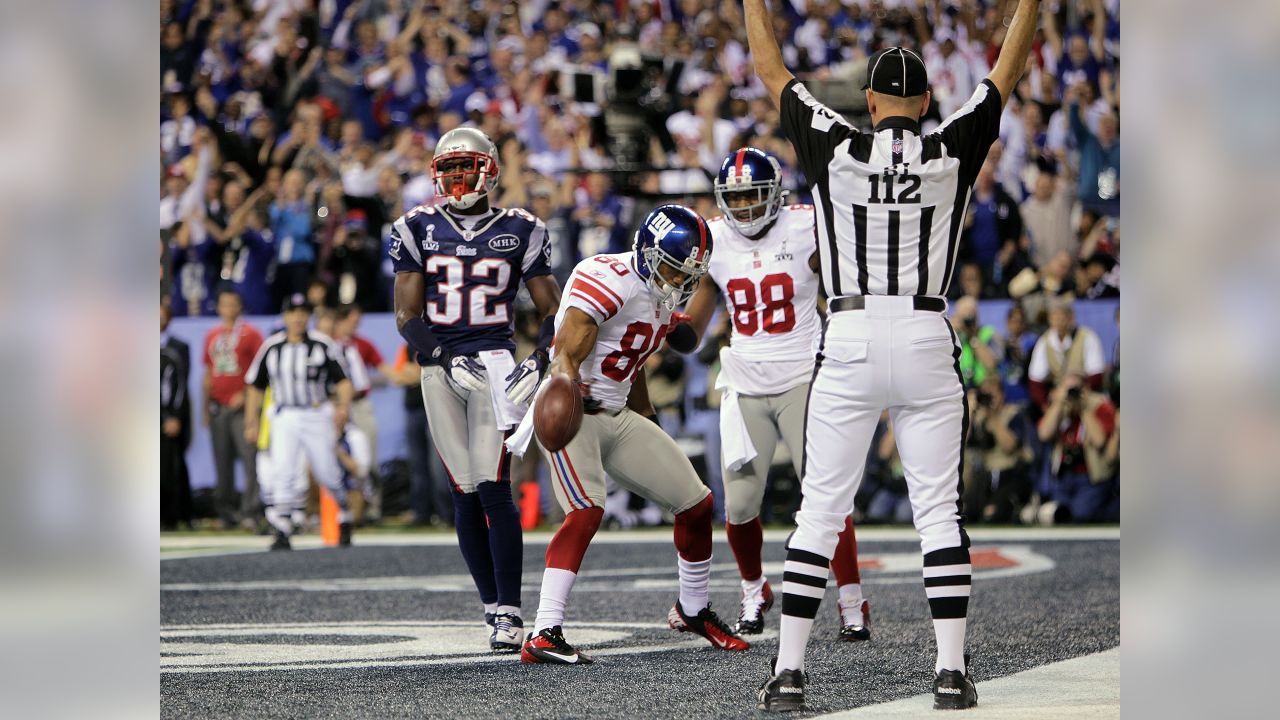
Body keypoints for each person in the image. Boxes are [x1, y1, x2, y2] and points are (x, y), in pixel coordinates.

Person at [745, 0, 1043, 711]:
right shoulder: (952, 151)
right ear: (928, 100)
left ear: (871, 101)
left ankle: (789, 673)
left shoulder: (837, 148)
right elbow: (1008, 67)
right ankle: (948, 673)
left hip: (848, 335)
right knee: (938, 512)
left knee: (819, 510)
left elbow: (769, 67)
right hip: (924, 334)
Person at [510, 204, 748, 665]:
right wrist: (561, 383)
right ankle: (543, 632)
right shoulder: (607, 276)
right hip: (574, 407)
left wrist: (650, 425)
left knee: (697, 506)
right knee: (585, 511)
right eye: (674, 270)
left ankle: (693, 609)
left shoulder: (659, 295)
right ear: (646, 251)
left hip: (618, 413)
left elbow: (631, 361)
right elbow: (567, 351)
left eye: (689, 275)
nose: (679, 282)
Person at [683, 146, 869, 641]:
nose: (743, 208)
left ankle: (852, 600)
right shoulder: (715, 238)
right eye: (736, 198)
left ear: (776, 195)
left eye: (753, 196)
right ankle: (753, 590)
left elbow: (845, 275)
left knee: (825, 495)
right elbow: (696, 320)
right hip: (744, 382)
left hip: (805, 377)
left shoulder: (807, 224)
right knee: (741, 504)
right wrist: (670, 329)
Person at [390, 127, 562, 653]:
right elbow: (406, 315)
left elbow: (554, 309)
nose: (458, 178)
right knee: (463, 489)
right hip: (440, 366)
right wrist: (442, 354)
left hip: (492, 364)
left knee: (493, 486)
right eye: (449, 168)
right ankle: (493, 609)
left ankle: (510, 609)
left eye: (467, 166)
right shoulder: (415, 226)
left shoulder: (523, 228)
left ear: (489, 168)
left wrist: (540, 357)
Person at [243, 294, 355, 551]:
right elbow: (255, 386)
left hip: (316, 413)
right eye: (293, 312)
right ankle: (282, 527)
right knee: (283, 470)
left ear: (309, 316)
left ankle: (344, 513)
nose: (298, 317)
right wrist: (251, 420)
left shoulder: (322, 344)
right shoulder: (272, 347)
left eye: (303, 312)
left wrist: (343, 408)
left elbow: (343, 381)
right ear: (285, 316)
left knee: (327, 472)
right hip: (285, 415)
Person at [202, 287, 265, 529]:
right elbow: (209, 373)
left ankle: (250, 510)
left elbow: (260, 368)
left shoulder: (250, 334)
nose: (228, 308)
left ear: (240, 307)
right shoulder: (212, 335)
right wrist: (205, 409)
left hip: (242, 406)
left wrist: (247, 394)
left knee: (250, 460)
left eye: (232, 304)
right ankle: (226, 512)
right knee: (222, 461)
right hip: (218, 405)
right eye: (224, 304)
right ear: (218, 307)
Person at [1035, 372, 1118, 522]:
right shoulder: (1060, 407)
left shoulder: (1100, 405)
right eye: (1068, 389)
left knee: (1080, 515)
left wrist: (1083, 409)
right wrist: (1058, 404)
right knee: (1056, 514)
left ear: (1086, 389)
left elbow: (1099, 441)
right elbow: (1044, 434)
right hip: (1064, 475)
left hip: (1091, 477)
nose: (1072, 394)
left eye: (1076, 389)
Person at [1027, 300, 1107, 409]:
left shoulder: (1087, 337)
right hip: (1059, 396)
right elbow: (1036, 379)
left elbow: (1096, 374)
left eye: (1062, 317)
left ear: (1071, 318)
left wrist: (1079, 389)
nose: (1058, 322)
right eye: (1055, 318)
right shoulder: (1044, 342)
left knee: (1100, 405)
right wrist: (1044, 405)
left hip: (1085, 393)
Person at [161, 299, 193, 530]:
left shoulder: (175, 350)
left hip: (167, 415)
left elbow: (181, 385)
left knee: (170, 466)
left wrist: (174, 416)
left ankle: (174, 515)